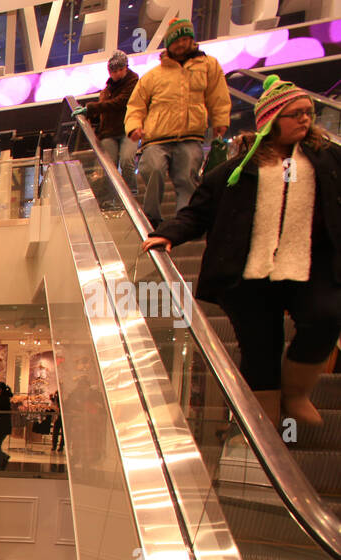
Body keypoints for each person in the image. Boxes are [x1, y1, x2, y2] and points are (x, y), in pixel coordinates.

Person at [142, 75, 341, 428]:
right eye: (294, 114)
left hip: (310, 265)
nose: (305, 120)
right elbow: (197, 213)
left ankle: (295, 392)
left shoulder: (328, 160)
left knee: (326, 316)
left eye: (307, 112)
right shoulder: (232, 173)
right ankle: (265, 422)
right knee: (258, 348)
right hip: (248, 274)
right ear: (270, 122)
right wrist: (167, 233)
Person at [124, 18, 230, 227]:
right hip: (156, 137)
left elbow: (218, 96)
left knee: (187, 176)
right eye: (176, 40)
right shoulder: (153, 76)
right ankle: (151, 216)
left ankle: (186, 220)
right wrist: (134, 127)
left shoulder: (209, 66)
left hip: (191, 134)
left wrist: (220, 120)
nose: (180, 44)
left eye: (185, 39)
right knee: (152, 169)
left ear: (192, 39)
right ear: (168, 43)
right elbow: (136, 105)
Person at [80, 50, 139, 192]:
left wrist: (91, 108)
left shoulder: (134, 83)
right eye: (114, 71)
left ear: (126, 67)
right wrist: (90, 115)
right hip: (108, 133)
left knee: (126, 162)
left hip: (127, 130)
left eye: (120, 69)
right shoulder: (106, 90)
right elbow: (104, 110)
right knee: (107, 167)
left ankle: (131, 194)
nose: (117, 73)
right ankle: (109, 197)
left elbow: (119, 103)